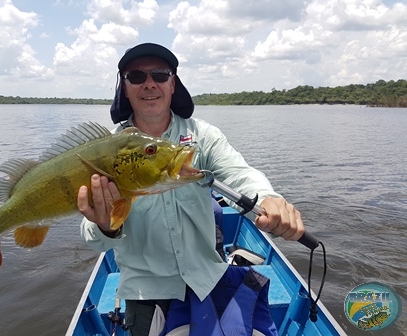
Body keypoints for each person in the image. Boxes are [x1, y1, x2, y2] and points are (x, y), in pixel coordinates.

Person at [77, 42, 305, 335]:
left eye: (160, 75)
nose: (149, 84)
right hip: (146, 293)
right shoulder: (101, 152)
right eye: (137, 76)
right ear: (124, 86)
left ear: (173, 84)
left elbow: (239, 174)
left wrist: (270, 201)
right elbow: (94, 241)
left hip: (208, 279)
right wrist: (107, 227)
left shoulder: (202, 136)